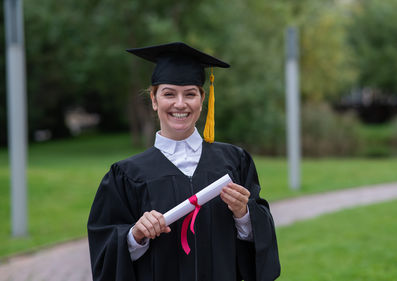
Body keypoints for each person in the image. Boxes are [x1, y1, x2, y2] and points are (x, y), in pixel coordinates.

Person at [87, 42, 280, 281]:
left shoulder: (234, 162)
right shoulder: (126, 175)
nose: (180, 103)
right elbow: (105, 252)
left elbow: (261, 247)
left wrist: (244, 213)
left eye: (190, 93)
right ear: (154, 99)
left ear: (202, 99)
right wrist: (135, 235)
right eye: (169, 94)